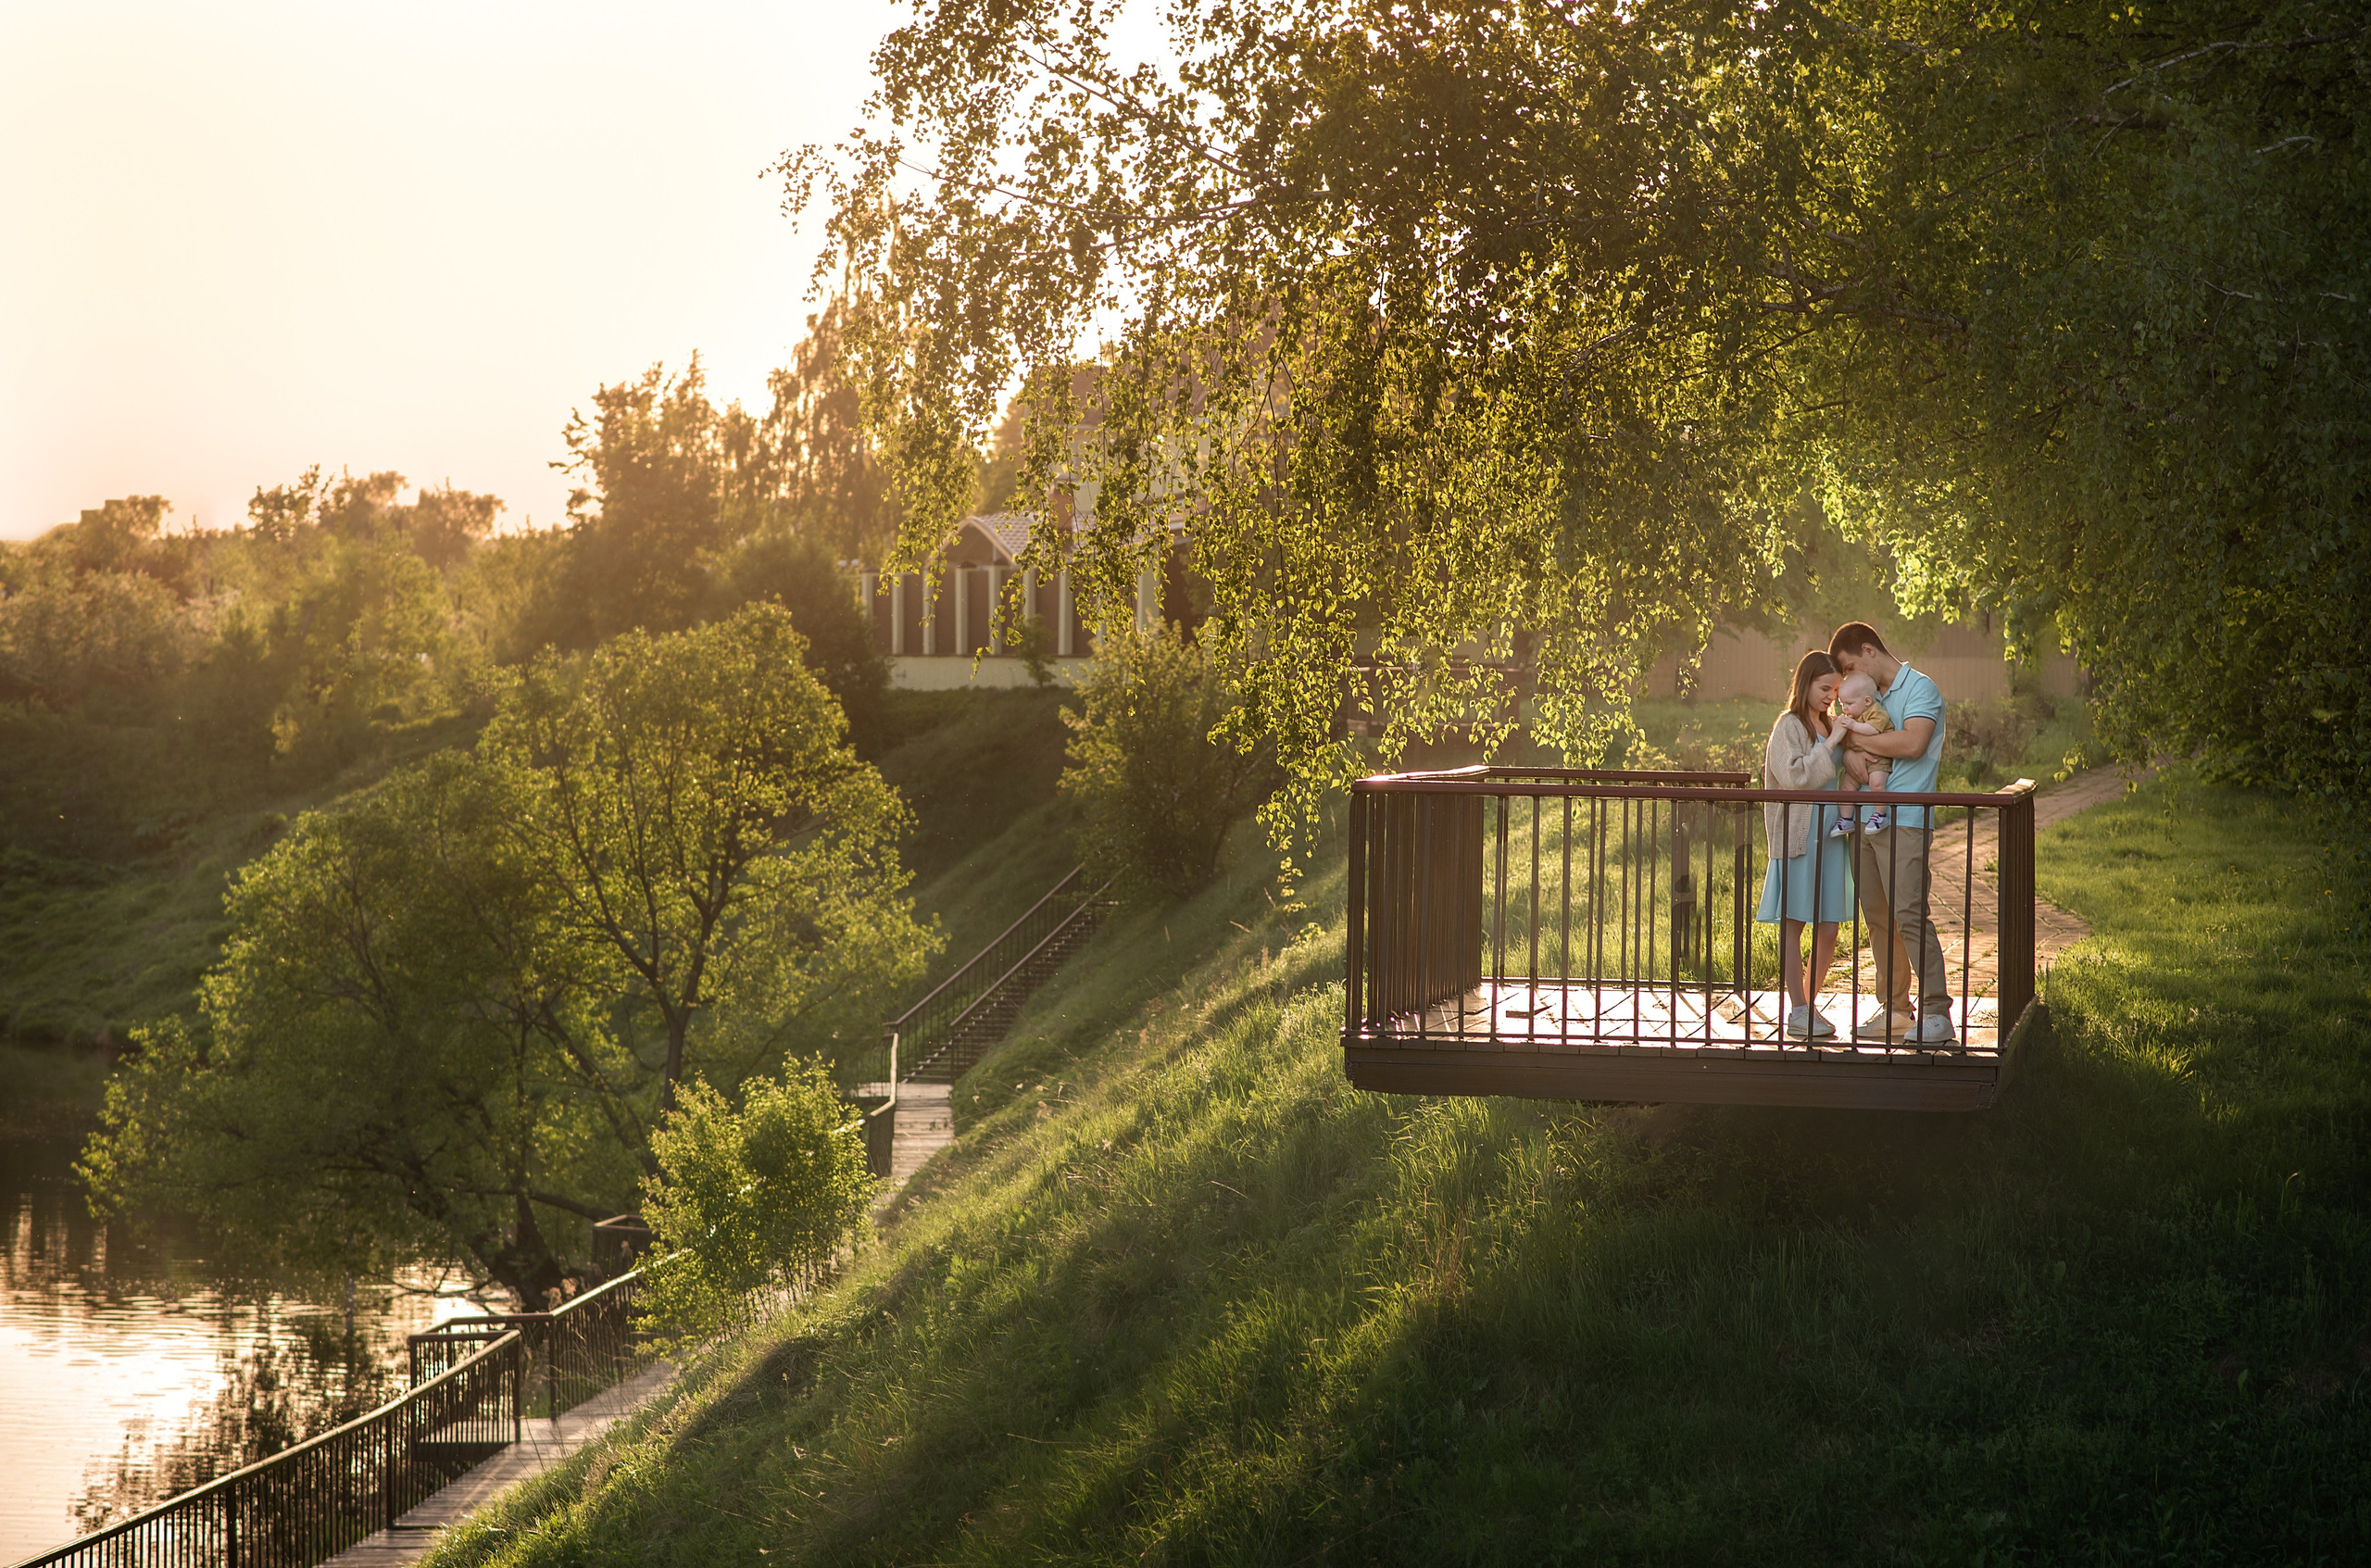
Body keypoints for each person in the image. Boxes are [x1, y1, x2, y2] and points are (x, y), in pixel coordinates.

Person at [1827, 621, 1952, 1044]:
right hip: (1864, 817)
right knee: (1879, 919)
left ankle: (1937, 1012)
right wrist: (1848, 756)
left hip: (1907, 819)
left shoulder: (1921, 689)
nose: (1846, 679)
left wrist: (1858, 742)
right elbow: (1847, 741)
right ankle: (1897, 1009)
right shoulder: (1864, 698)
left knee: (1910, 915)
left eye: (1848, 667)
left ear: (1869, 649)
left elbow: (1913, 743)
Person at [1755, 651, 1854, 1039]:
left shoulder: (1830, 723)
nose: (1831, 695)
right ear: (1805, 683)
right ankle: (1798, 1008)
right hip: (1799, 834)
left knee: (1828, 926)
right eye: (1824, 687)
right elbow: (1796, 777)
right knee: (1795, 922)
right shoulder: (1789, 726)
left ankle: (1806, 1008)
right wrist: (1831, 745)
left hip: (1831, 835)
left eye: (1836, 689)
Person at [1826, 671, 1895, 835]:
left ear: (1867, 701)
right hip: (1857, 760)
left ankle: (1880, 815)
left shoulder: (1876, 712)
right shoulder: (1854, 716)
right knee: (1846, 787)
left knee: (1877, 784)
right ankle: (1846, 819)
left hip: (1877, 759)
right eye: (1842, 704)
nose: (1845, 708)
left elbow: (1872, 730)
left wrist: (1852, 726)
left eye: (1849, 703)